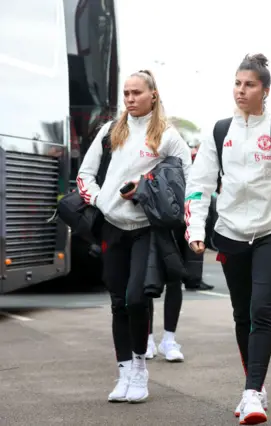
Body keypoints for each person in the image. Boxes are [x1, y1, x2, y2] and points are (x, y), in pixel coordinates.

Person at [184, 53, 271, 424]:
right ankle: (254, 383)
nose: (241, 91)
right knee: (242, 313)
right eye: (238, 84)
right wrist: (196, 229)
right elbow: (199, 185)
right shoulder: (219, 131)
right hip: (229, 233)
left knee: (263, 309)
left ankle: (252, 393)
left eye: (250, 85)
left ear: (266, 90)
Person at [76, 69, 192, 403]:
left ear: (153, 94)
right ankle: (124, 372)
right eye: (126, 93)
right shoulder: (111, 131)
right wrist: (101, 199)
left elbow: (190, 178)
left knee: (136, 299)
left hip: (146, 230)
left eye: (136, 93)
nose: (129, 99)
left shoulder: (167, 135)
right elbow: (85, 174)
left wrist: (150, 190)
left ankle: (141, 369)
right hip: (112, 226)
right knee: (117, 302)